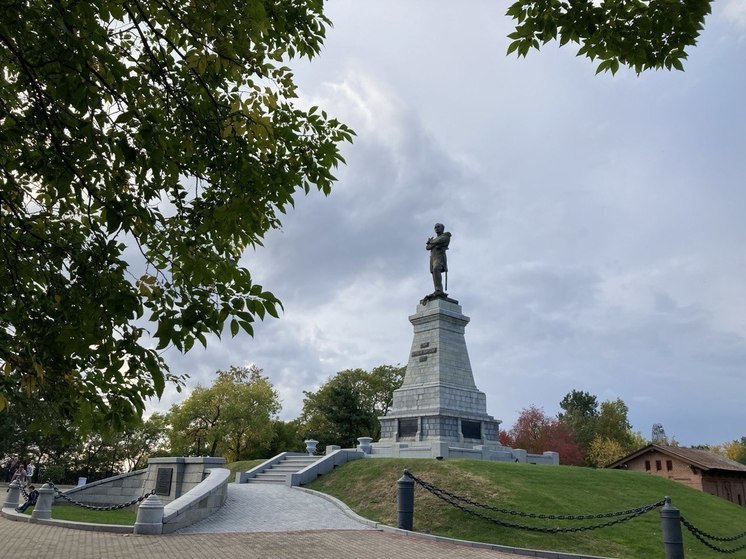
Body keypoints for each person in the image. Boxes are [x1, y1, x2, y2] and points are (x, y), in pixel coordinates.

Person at [426, 222, 451, 296]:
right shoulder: (435, 239)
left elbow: (440, 240)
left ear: (442, 228)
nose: (436, 228)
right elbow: (428, 248)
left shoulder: (446, 235)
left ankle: (439, 290)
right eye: (435, 227)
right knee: (434, 273)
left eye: (438, 227)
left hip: (440, 257)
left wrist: (431, 242)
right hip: (433, 257)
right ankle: (437, 290)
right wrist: (430, 243)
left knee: (436, 269)